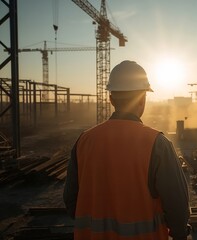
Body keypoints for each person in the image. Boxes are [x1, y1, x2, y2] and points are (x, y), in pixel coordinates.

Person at [63, 60, 190, 240]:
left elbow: (71, 201)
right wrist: (179, 234)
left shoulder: (84, 141)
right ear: (143, 100)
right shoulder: (158, 144)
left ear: (111, 99)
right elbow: (177, 208)